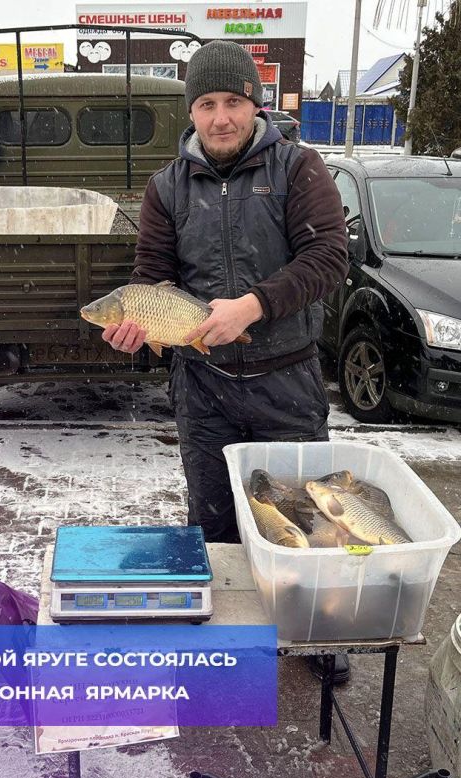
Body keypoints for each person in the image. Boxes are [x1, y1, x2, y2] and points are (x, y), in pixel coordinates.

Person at [101, 42, 350, 679]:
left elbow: (327, 262)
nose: (220, 118)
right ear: (192, 111)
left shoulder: (300, 169)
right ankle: (225, 645)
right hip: (204, 384)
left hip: (287, 380)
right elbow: (151, 279)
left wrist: (254, 305)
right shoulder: (166, 187)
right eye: (207, 104)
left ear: (254, 103)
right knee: (212, 519)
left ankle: (314, 637)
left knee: (298, 514)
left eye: (232, 103)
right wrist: (138, 330)